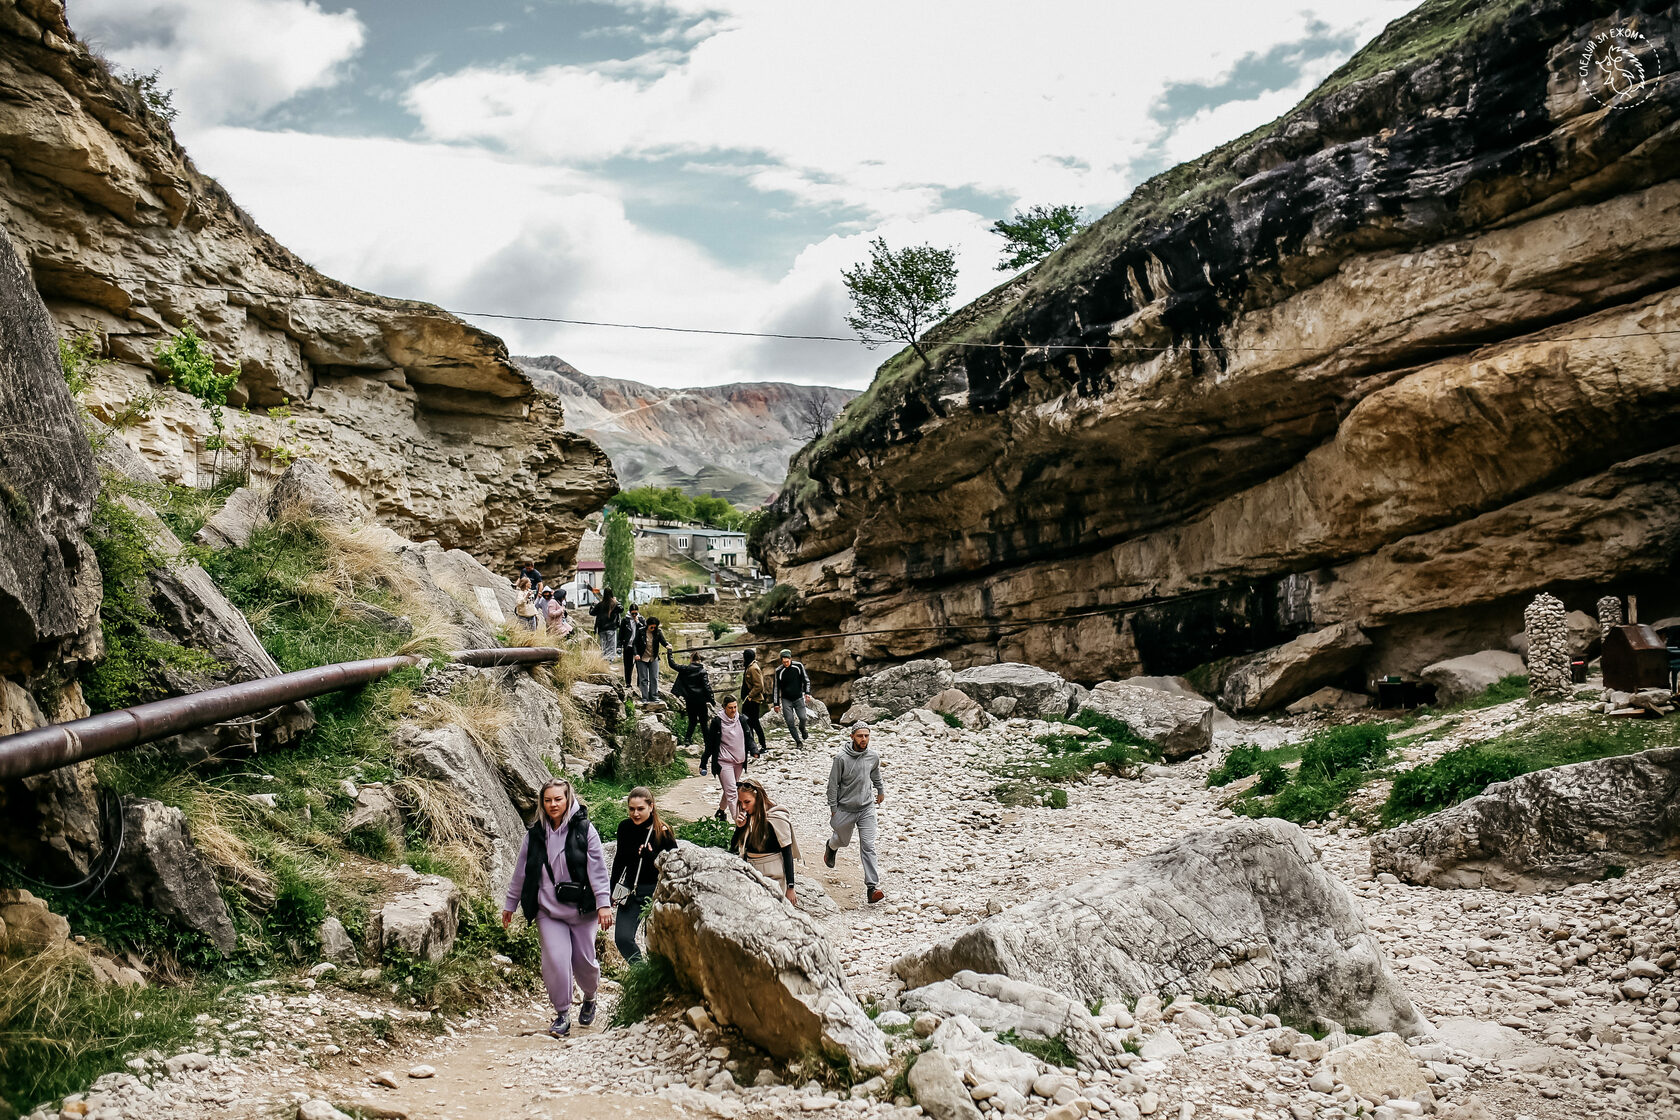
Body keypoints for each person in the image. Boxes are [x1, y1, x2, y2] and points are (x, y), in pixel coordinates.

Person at [502, 779, 612, 1037]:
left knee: (584, 962)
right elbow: (521, 873)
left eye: (558, 799)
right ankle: (562, 1013)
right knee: (556, 959)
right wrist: (510, 904)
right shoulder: (535, 835)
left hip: (582, 909)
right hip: (547, 910)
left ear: (568, 799)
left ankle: (590, 995)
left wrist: (603, 904)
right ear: (542, 802)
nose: (553, 804)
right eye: (548, 800)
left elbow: (597, 869)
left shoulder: (585, 829)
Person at [609, 787, 677, 963]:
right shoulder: (624, 827)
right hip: (630, 890)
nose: (635, 813)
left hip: (654, 892)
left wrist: (652, 858)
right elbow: (620, 860)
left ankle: (652, 982)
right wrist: (611, 890)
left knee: (654, 943)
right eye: (632, 809)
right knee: (623, 938)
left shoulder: (662, 832)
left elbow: (673, 866)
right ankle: (640, 972)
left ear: (651, 807)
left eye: (640, 809)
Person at [825, 722, 885, 905]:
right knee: (842, 841)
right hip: (845, 809)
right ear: (852, 737)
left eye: (866, 736)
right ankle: (831, 846)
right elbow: (832, 785)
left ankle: (872, 887)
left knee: (868, 845)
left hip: (866, 808)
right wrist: (833, 809)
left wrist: (880, 790)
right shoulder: (841, 758)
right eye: (860, 736)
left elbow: (875, 773)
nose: (864, 739)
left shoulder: (873, 756)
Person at [732, 777, 798, 906]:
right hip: (751, 870)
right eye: (741, 803)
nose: (744, 806)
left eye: (747, 802)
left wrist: (790, 887)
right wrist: (739, 828)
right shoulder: (748, 817)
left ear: (758, 799)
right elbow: (733, 846)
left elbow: (787, 852)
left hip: (773, 873)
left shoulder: (776, 817)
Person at [705, 696, 748, 822]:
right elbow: (711, 743)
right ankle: (738, 821)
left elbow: (748, 737)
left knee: (731, 788)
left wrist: (754, 750)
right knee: (732, 792)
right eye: (730, 708)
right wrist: (704, 762)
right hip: (724, 761)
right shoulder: (717, 722)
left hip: (739, 761)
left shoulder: (741, 719)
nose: (733, 710)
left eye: (735, 707)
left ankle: (721, 811)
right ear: (724, 708)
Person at [667, 649, 715, 750]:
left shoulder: (685, 669)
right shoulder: (702, 671)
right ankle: (708, 744)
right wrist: (712, 699)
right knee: (703, 723)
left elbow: (672, 664)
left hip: (689, 700)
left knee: (692, 721)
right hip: (701, 701)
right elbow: (707, 686)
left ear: (691, 659)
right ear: (700, 660)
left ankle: (687, 740)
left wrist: (670, 651)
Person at [772, 648, 814, 748]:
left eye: (787, 661)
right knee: (790, 721)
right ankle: (798, 741)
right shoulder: (779, 671)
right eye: (784, 662)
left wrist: (807, 693)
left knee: (803, 718)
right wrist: (776, 704)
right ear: (781, 661)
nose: (786, 663)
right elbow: (776, 688)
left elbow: (806, 680)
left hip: (798, 697)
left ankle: (802, 729)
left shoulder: (798, 666)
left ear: (791, 659)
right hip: (786, 699)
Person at [635, 615, 672, 703]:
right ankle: (645, 697)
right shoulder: (641, 631)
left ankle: (654, 696)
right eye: (652, 626)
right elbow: (634, 644)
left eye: (655, 627)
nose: (653, 628)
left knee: (654, 677)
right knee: (643, 678)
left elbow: (663, 641)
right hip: (642, 657)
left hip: (653, 657)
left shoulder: (658, 632)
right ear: (648, 625)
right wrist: (636, 654)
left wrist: (667, 646)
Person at [740, 648, 769, 758]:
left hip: (753, 701)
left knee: (755, 723)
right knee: (748, 724)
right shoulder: (749, 667)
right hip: (748, 701)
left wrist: (750, 696)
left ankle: (763, 746)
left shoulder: (753, 668)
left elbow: (759, 685)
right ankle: (751, 747)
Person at [592, 588, 623, 660]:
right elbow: (621, 609)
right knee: (611, 646)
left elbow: (592, 613)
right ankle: (609, 662)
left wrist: (593, 604)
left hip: (601, 628)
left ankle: (604, 661)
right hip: (611, 628)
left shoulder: (600, 604)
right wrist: (617, 602)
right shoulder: (614, 604)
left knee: (604, 646)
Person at [619, 604, 644, 690]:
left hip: (638, 646)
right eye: (632, 613)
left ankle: (639, 683)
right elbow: (621, 634)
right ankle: (628, 683)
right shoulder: (625, 620)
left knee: (640, 666)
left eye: (635, 613)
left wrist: (637, 622)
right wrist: (619, 646)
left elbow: (644, 631)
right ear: (629, 612)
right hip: (628, 645)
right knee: (628, 666)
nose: (634, 615)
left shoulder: (641, 619)